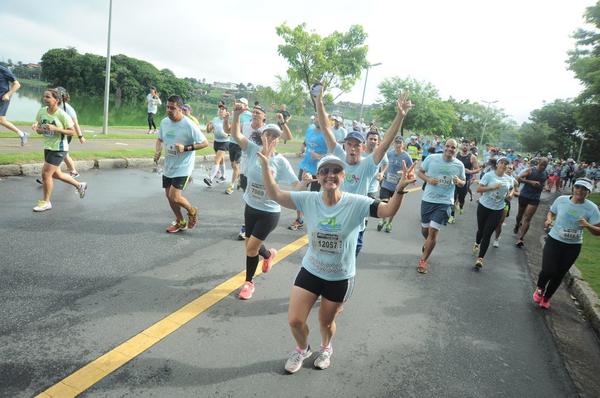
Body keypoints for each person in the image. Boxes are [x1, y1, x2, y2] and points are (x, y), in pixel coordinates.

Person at [257, 150, 415, 373]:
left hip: (339, 276)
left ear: (344, 176)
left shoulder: (357, 203)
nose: (330, 175)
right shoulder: (308, 199)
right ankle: (303, 349)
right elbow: (275, 194)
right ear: (318, 176)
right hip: (311, 269)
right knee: (295, 320)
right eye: (324, 171)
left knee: (325, 322)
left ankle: (326, 347)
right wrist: (265, 166)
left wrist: (399, 189)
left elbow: (387, 209)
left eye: (336, 171)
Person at [316, 85, 412, 256]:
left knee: (347, 266)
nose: (352, 149)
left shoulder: (368, 164)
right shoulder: (338, 155)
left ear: (362, 148)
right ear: (345, 145)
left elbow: (386, 142)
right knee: (327, 262)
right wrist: (319, 101)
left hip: (355, 227)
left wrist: (400, 116)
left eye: (356, 145)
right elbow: (326, 128)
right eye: (349, 144)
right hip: (334, 222)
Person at [229, 103, 306, 299]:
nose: (270, 138)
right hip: (251, 207)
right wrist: (237, 115)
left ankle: (249, 283)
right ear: (261, 136)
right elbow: (236, 135)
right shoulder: (253, 149)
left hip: (269, 212)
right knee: (250, 246)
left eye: (274, 136)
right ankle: (268, 254)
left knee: (251, 247)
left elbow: (295, 185)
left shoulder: (280, 162)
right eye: (267, 135)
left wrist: (304, 183)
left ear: (278, 140)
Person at [534, 178, 600, 309]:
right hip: (554, 240)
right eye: (578, 187)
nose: (580, 191)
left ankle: (546, 298)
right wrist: (548, 220)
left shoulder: (592, 208)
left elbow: (598, 231)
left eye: (584, 189)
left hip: (573, 246)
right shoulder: (561, 200)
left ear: (589, 193)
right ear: (573, 188)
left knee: (559, 274)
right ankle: (540, 288)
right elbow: (552, 212)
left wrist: (587, 225)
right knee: (548, 270)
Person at [153, 95, 208, 233]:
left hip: (184, 165)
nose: (169, 110)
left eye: (173, 108)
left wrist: (186, 148)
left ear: (181, 109)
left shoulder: (189, 125)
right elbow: (159, 139)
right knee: (169, 196)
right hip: (169, 164)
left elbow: (205, 143)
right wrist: (158, 151)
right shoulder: (164, 122)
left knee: (175, 196)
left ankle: (192, 210)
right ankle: (180, 221)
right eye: (167, 107)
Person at [31, 89, 88, 212]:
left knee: (46, 174)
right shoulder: (42, 111)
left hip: (59, 148)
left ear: (56, 100)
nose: (45, 99)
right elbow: (40, 128)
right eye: (44, 97)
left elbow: (71, 131)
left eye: (48, 97)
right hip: (48, 146)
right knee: (56, 174)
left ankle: (46, 202)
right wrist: (37, 128)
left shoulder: (62, 115)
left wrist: (56, 129)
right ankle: (79, 185)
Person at [416, 139, 466, 273]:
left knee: (433, 231)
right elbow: (419, 172)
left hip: (445, 202)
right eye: (448, 146)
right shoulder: (432, 158)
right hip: (428, 199)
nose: (450, 149)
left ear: (457, 150)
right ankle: (428, 243)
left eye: (453, 147)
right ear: (444, 147)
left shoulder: (459, 165)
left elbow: (463, 182)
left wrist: (458, 181)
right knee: (425, 230)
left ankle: (423, 260)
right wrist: (428, 179)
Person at [472, 157, 515, 269]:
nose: (503, 165)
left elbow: (511, 188)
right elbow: (479, 189)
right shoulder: (489, 175)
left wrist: (510, 195)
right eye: (501, 163)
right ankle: (477, 243)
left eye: (506, 164)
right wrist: (492, 187)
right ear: (497, 164)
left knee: (487, 233)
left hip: (497, 209)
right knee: (481, 230)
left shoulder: (509, 179)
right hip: (484, 206)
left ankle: (480, 259)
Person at [288, 114, 328, 231]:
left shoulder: (327, 135)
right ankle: (299, 219)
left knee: (314, 196)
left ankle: (313, 220)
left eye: (319, 117)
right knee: (300, 193)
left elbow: (333, 153)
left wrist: (320, 156)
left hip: (319, 170)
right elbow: (306, 142)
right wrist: (302, 149)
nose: (317, 119)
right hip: (305, 167)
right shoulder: (310, 129)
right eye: (316, 117)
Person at [377, 135, 413, 232]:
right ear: (393, 144)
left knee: (393, 206)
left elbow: (411, 170)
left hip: (397, 187)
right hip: (386, 184)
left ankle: (389, 223)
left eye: (400, 143)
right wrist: (382, 173)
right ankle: (383, 220)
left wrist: (405, 173)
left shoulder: (406, 156)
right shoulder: (389, 154)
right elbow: (384, 164)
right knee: (383, 202)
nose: (398, 145)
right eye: (396, 142)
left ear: (403, 145)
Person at [515, 157, 549, 247]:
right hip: (524, 196)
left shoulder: (546, 173)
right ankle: (517, 224)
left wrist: (545, 187)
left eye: (545, 166)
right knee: (520, 216)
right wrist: (530, 182)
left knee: (527, 218)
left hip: (535, 198)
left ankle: (520, 238)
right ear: (538, 163)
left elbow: (544, 184)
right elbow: (518, 178)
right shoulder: (530, 170)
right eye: (542, 165)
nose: (543, 167)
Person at [449, 139, 480, 223]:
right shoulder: (456, 154)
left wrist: (470, 171)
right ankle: (452, 216)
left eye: (467, 145)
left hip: (465, 180)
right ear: (461, 145)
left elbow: (478, 169)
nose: (465, 146)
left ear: (469, 146)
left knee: (461, 198)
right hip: (455, 179)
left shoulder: (472, 157)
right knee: (453, 198)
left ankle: (461, 206)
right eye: (464, 144)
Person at [226, 98, 252, 195]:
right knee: (233, 165)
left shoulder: (249, 116)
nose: (239, 104)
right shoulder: (234, 113)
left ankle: (231, 186)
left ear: (246, 105)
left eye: (241, 103)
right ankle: (240, 179)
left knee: (236, 165)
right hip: (232, 142)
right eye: (239, 102)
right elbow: (230, 128)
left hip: (241, 143)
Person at [0, 65, 28, 145]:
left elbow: (17, 85)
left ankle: (22, 134)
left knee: (1, 120)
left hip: (3, 98)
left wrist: (8, 95)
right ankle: (22, 134)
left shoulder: (3, 70)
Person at [492, 163, 519, 247]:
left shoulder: (514, 181)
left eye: (511, 168)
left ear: (513, 170)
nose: (509, 169)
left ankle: (496, 239)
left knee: (499, 223)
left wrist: (512, 193)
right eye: (508, 168)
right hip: (493, 201)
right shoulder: (497, 176)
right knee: (490, 221)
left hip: (505, 203)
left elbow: (518, 192)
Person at [204, 102, 230, 186]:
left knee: (216, 160)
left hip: (225, 142)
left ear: (226, 112)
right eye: (220, 109)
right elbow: (208, 131)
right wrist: (208, 125)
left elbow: (231, 130)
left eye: (223, 109)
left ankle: (210, 178)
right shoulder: (215, 119)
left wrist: (227, 134)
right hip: (216, 142)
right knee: (221, 160)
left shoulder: (227, 120)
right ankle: (224, 176)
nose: (221, 111)